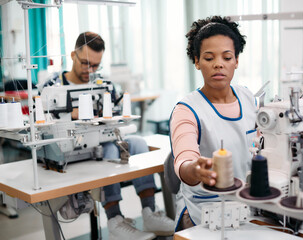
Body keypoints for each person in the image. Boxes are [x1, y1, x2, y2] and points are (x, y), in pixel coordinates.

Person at [42, 32, 174, 240]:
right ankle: (115, 220)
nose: (90, 70)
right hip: (71, 152)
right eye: (85, 63)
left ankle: (149, 212)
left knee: (137, 143)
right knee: (110, 151)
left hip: (104, 141)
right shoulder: (53, 87)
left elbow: (118, 113)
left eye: (96, 65)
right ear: (72, 55)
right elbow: (43, 121)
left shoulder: (104, 85)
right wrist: (73, 114)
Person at [169, 16, 257, 231]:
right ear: (197, 61)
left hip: (250, 207)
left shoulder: (249, 98)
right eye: (209, 58)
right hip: (205, 215)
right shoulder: (187, 110)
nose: (219, 64)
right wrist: (195, 170)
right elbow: (184, 160)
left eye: (227, 57)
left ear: (236, 60)